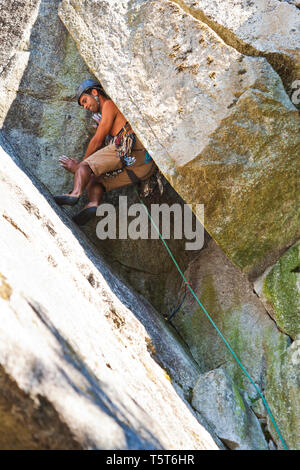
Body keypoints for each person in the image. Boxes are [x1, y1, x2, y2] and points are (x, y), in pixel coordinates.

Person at [54, 79, 156, 225]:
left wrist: (80, 167)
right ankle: (93, 204)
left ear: (94, 92)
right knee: (96, 179)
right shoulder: (108, 113)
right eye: (83, 104)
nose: (85, 107)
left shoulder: (109, 104)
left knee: (86, 167)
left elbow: (97, 140)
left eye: (85, 100)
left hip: (130, 147)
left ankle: (75, 193)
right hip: (143, 168)